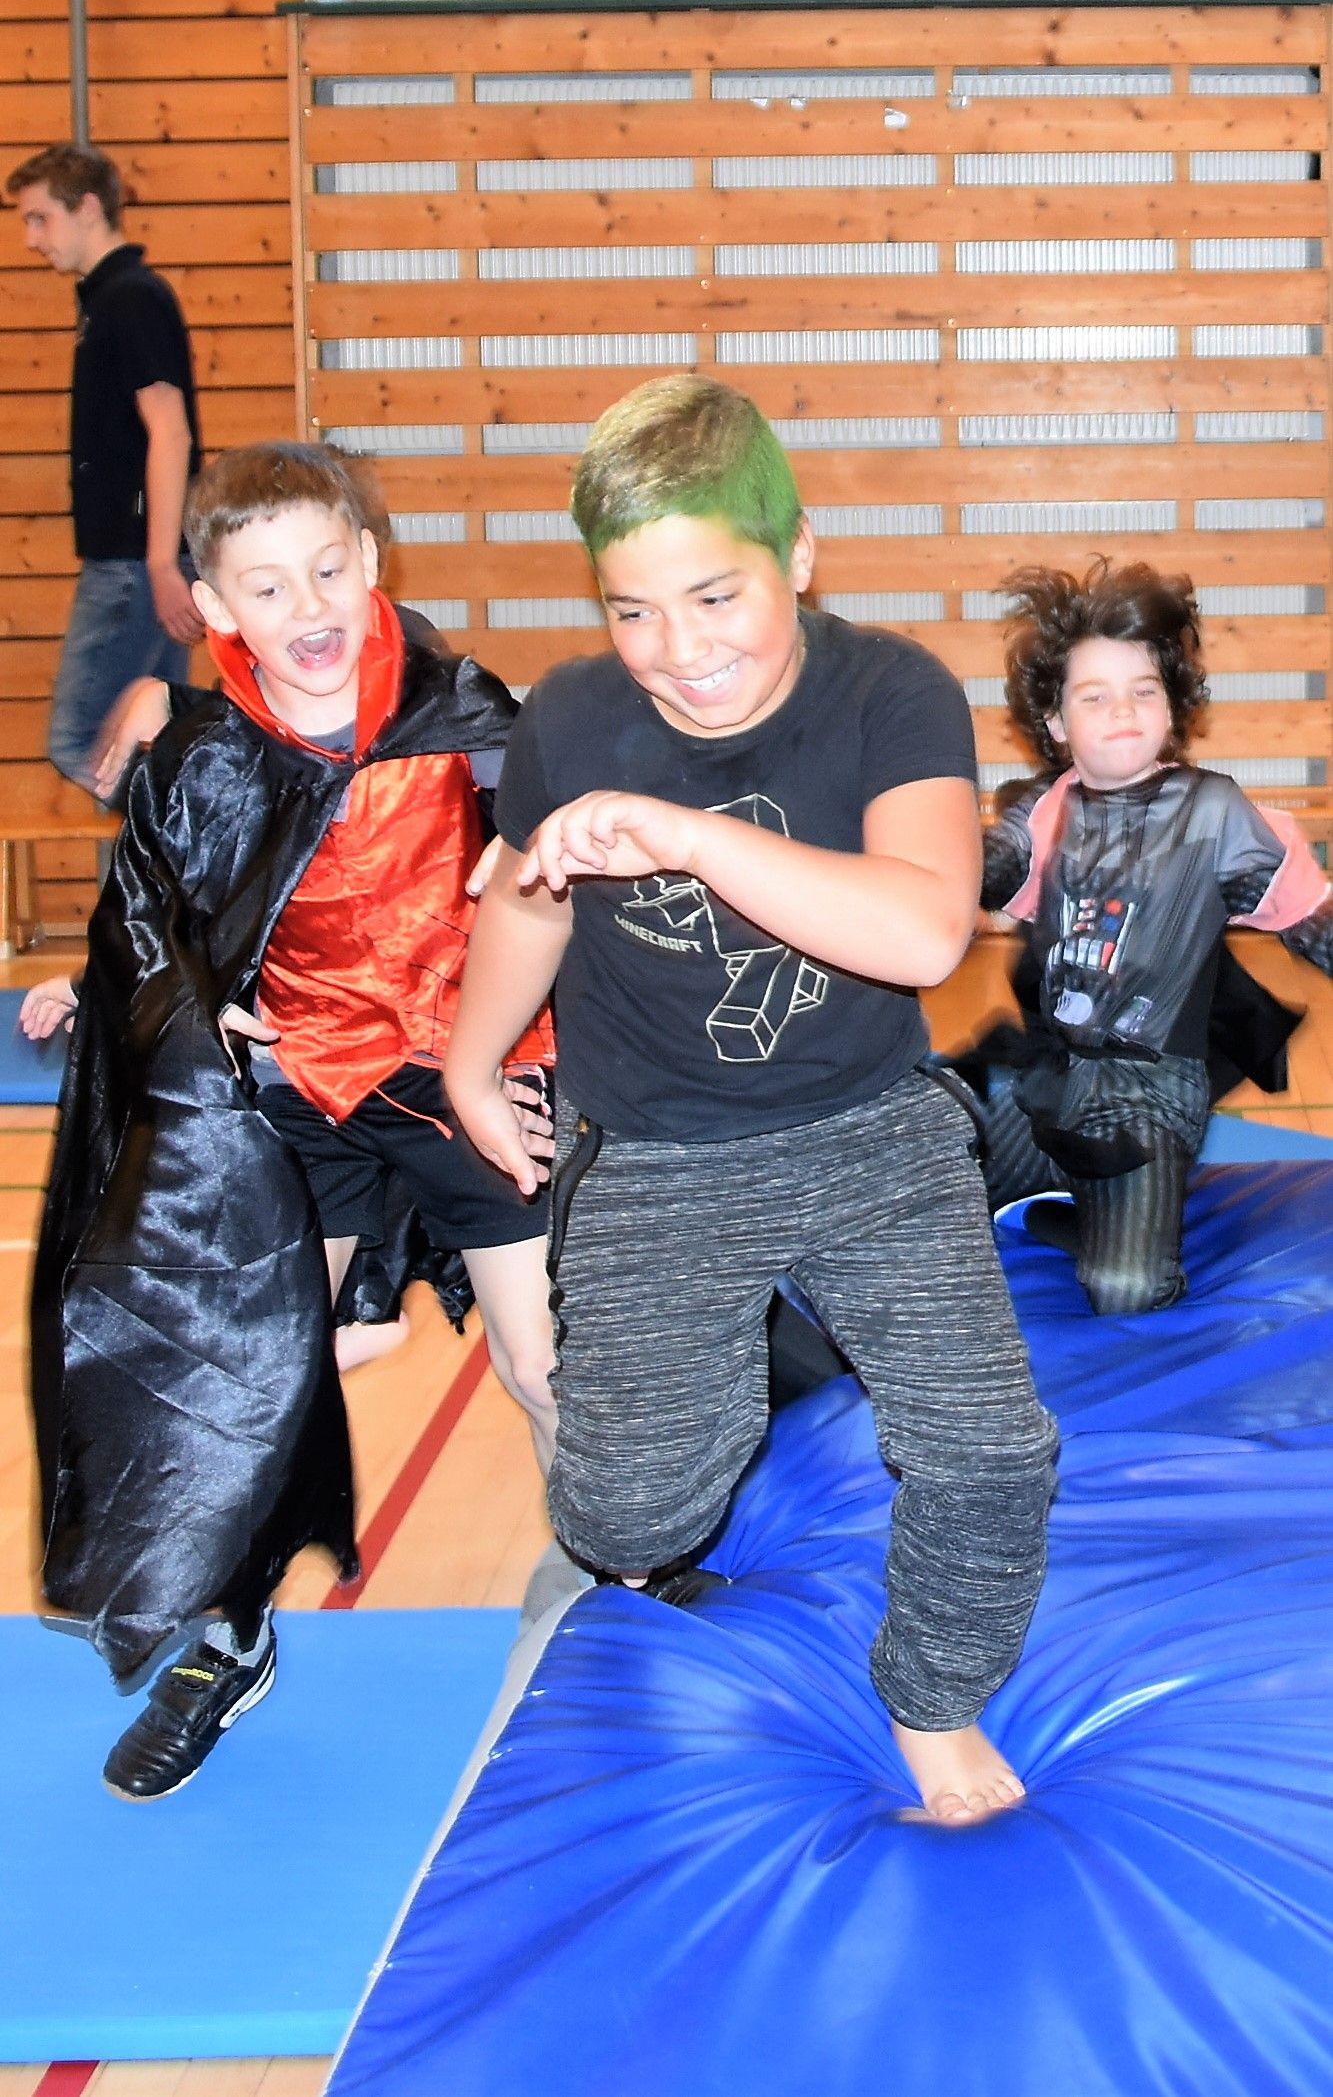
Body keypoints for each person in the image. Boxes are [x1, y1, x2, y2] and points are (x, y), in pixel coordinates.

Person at [444, 374, 1058, 1827]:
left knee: (991, 1452)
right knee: (632, 1511)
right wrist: (471, 1063)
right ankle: (672, 1421)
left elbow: (922, 932)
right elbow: (528, 902)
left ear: (799, 558)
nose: (680, 650)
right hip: (657, 1153)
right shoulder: (573, 718)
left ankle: (933, 1698)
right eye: (633, 611)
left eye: (716, 597)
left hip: (871, 1132)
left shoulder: (890, 691)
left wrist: (682, 834)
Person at [30, 439, 556, 1801]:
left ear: (370, 563)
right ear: (216, 607)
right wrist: (119, 991)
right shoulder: (202, 756)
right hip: (303, 1088)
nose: (307, 606)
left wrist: (532, 1037)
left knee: (545, 1362)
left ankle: (615, 1579)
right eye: (266, 587)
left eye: (328, 570)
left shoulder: (465, 719)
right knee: (245, 1370)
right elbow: (162, 920)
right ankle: (231, 1632)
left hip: (462, 1075)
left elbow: (558, 889)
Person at [977, 559, 1333, 1315]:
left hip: (1147, 1092)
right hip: (1046, 1074)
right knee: (915, 1153)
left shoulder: (1214, 816)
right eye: (1093, 696)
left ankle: (1100, 1215)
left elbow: (1313, 928)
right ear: (1056, 724)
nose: (1123, 711)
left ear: (1172, 707)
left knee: (1125, 1289)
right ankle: (1055, 1194)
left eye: (1144, 690)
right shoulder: (1045, 810)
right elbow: (977, 870)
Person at [5, 142, 204, 793]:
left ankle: (209, 834)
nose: (31, 239)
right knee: (153, 741)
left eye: (40, 218)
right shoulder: (107, 303)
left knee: (81, 742)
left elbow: (170, 431)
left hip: (131, 562)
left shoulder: (131, 299)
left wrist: (160, 563)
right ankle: (189, 847)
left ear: (88, 208)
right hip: (133, 559)